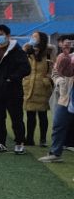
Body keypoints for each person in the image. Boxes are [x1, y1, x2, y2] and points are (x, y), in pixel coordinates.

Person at [0, 23, 31, 154]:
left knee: (16, 118)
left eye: (1, 34)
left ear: (8, 36)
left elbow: (26, 69)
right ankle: (1, 143)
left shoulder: (17, 51)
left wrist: (11, 79)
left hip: (13, 91)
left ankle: (19, 143)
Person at [40, 35, 74, 163]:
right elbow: (56, 72)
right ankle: (55, 153)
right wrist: (59, 80)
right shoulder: (67, 57)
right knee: (58, 124)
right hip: (66, 97)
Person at [23, 32, 53, 148]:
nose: (32, 38)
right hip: (29, 87)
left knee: (42, 115)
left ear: (42, 39)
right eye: (32, 36)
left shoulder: (48, 53)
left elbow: (53, 69)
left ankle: (43, 139)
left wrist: (47, 79)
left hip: (43, 88)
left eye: (35, 37)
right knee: (30, 115)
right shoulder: (27, 52)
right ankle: (29, 138)